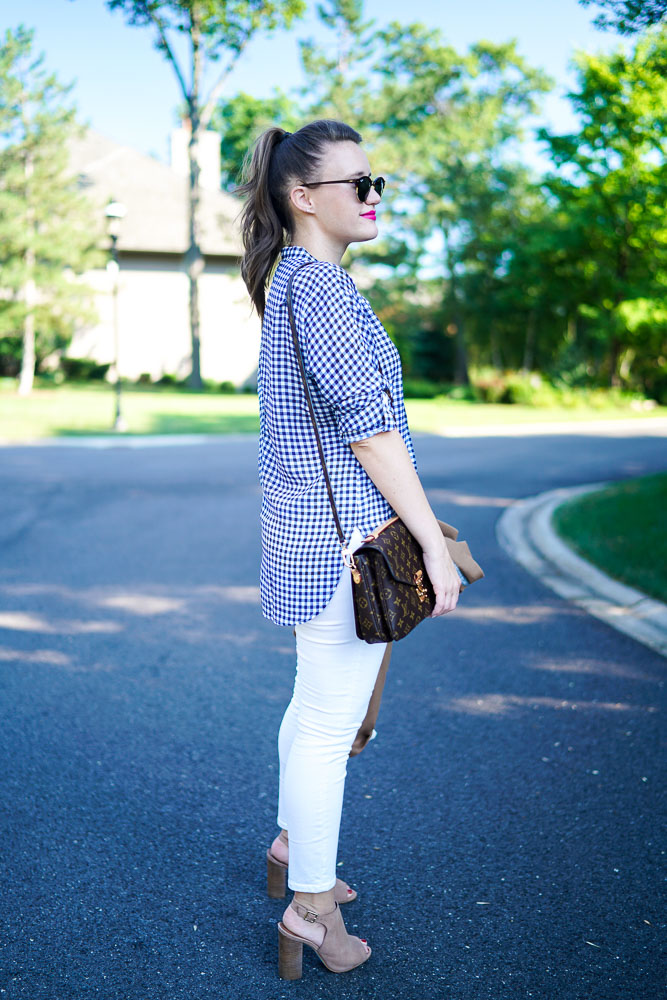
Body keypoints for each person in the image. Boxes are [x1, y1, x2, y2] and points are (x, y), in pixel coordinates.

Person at [239, 119, 461, 979]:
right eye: (356, 183)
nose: (373, 196)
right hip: (344, 546)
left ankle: (295, 846)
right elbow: (369, 432)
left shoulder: (295, 281)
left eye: (377, 182)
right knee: (330, 727)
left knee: (312, 710)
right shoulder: (323, 291)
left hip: (310, 541)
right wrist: (431, 546)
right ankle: (311, 908)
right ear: (303, 197)